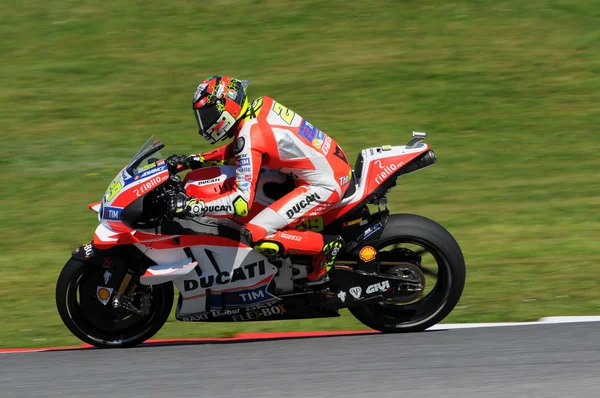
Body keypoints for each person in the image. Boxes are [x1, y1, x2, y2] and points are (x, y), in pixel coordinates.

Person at [166, 75, 351, 282]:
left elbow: (240, 203)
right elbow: (240, 147)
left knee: (256, 233)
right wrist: (195, 160)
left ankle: (325, 246)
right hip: (327, 164)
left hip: (324, 184)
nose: (205, 122)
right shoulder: (259, 106)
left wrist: (194, 206)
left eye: (209, 114)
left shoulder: (249, 137)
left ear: (228, 108)